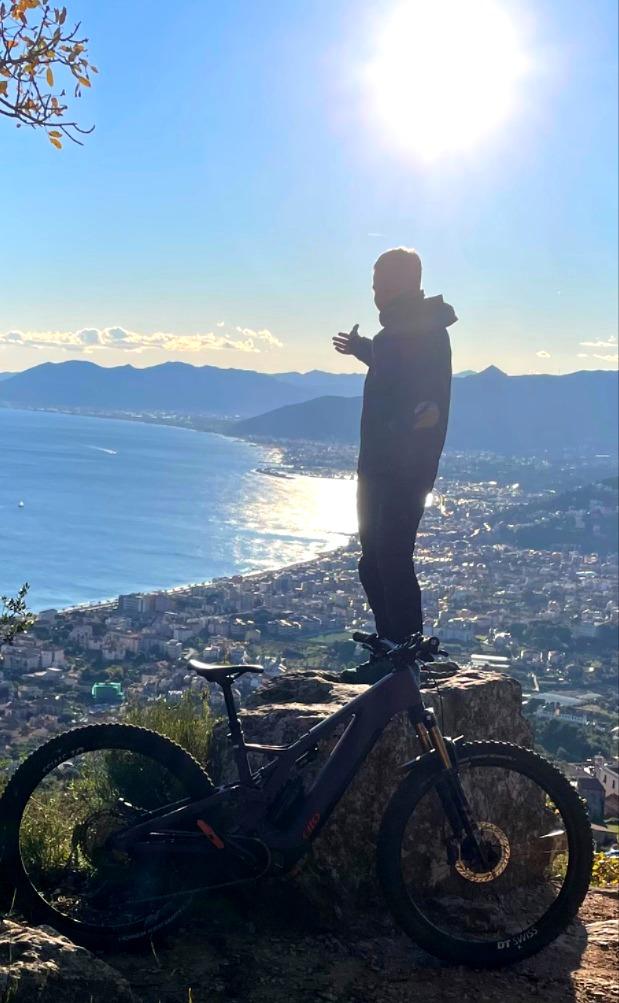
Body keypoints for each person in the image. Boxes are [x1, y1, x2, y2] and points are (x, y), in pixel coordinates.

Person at [333, 247, 456, 680]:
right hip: (376, 465)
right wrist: (361, 348)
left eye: (379, 284)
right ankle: (391, 648)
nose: (374, 293)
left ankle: (407, 654)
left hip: (403, 470)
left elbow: (426, 393)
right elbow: (395, 364)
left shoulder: (427, 332)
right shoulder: (397, 333)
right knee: (372, 559)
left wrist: (420, 418)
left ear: (400, 284)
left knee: (391, 555)